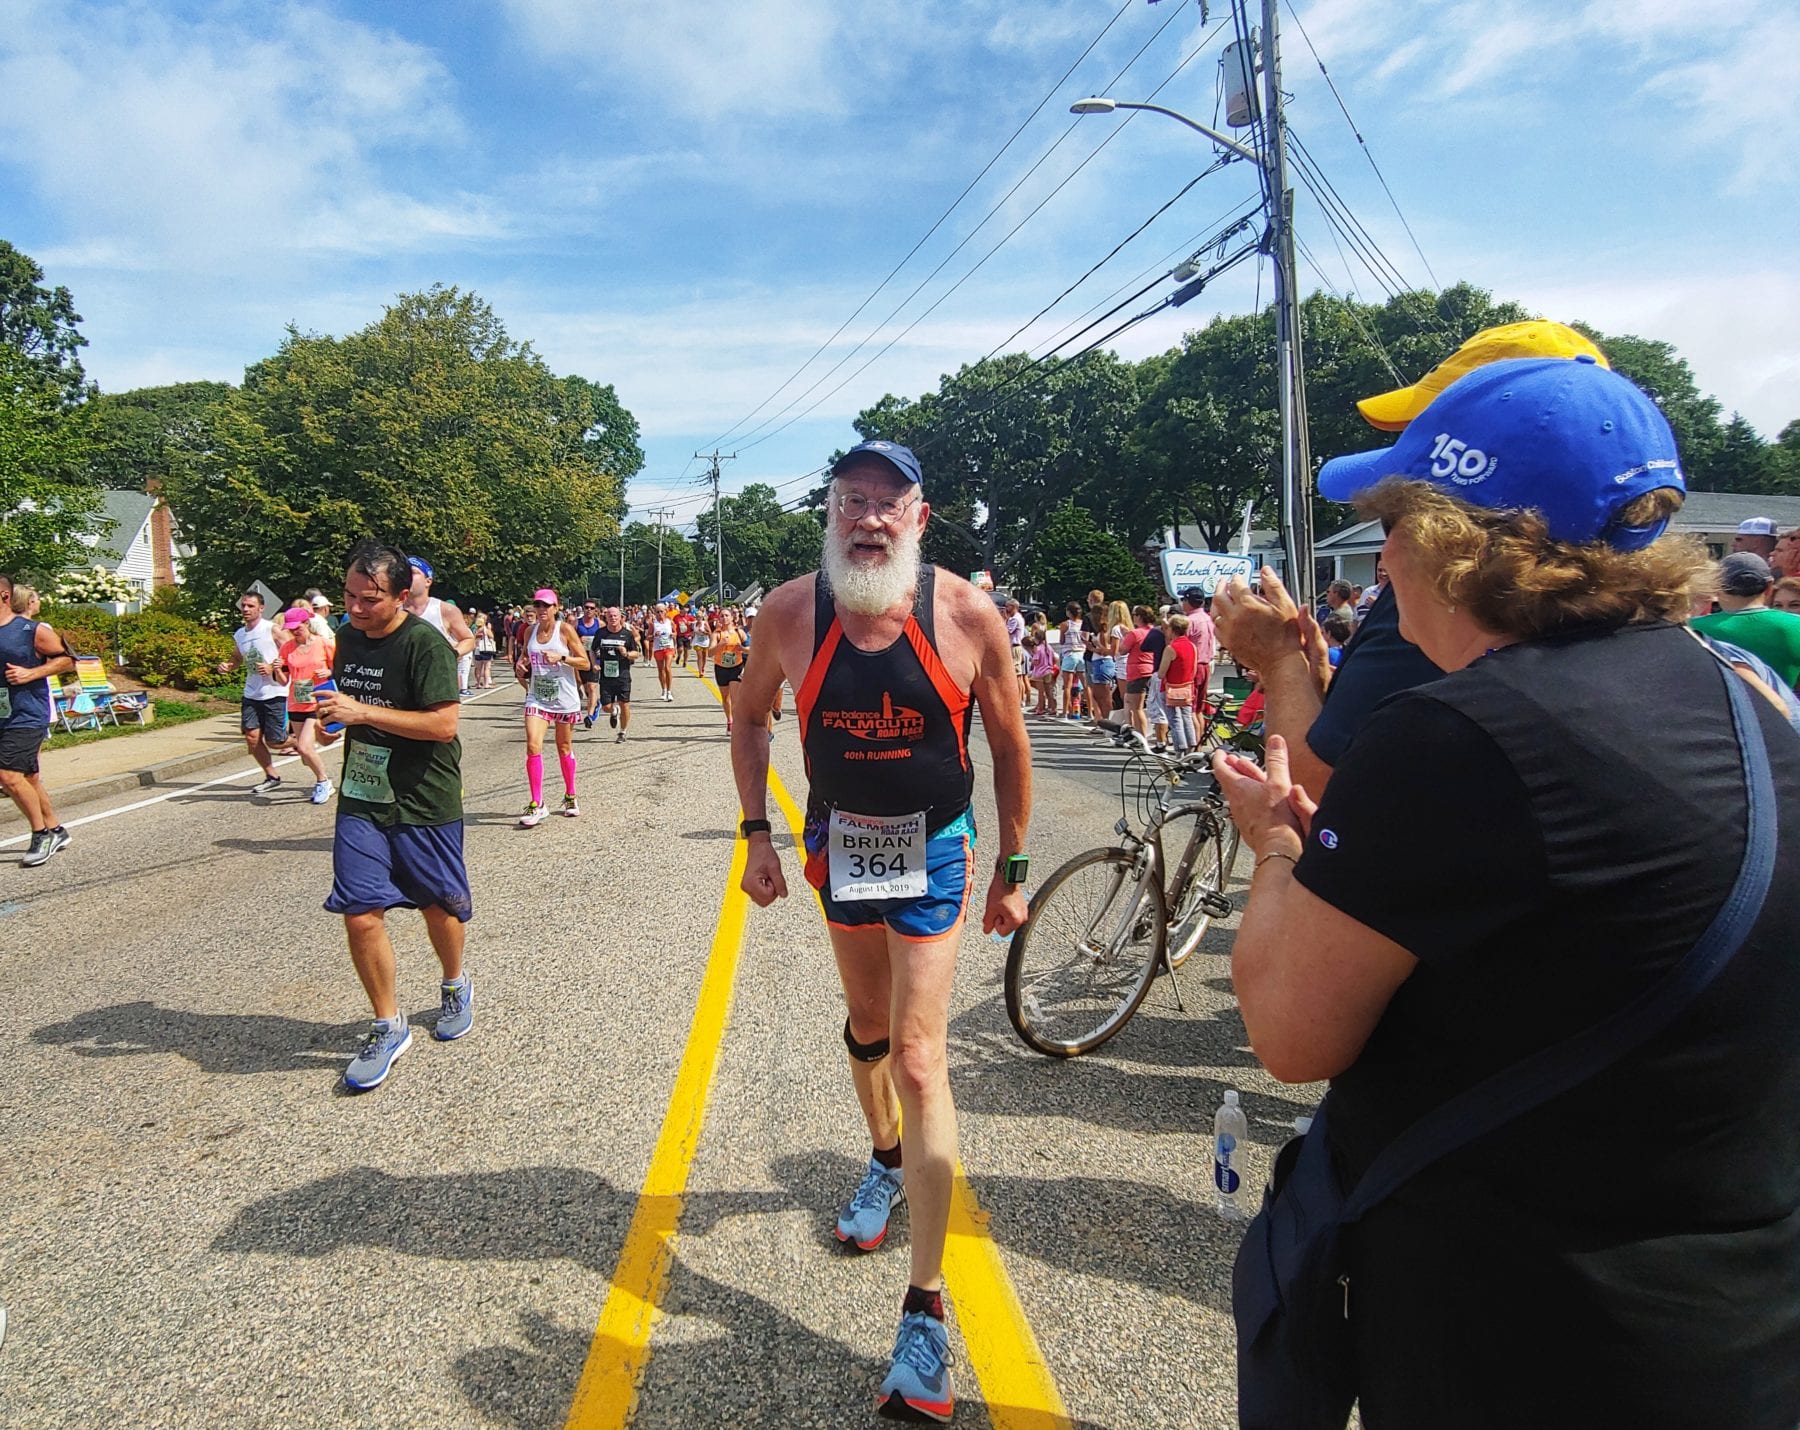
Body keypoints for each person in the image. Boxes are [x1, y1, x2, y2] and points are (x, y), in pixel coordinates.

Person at [1214, 356, 1800, 1426]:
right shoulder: (1751, 703)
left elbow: (1290, 1030)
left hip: (1522, 1336)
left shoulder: (1459, 730)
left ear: (1455, 542)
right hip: (1734, 1327)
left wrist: (1273, 848)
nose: (1380, 555)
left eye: (1397, 519)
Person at [730, 439, 1031, 1422]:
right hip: (840, 844)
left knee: (916, 1054)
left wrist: (1016, 865)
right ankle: (889, 1158)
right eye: (851, 498)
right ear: (829, 511)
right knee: (865, 1026)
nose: (868, 516)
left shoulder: (962, 611)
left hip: (937, 847)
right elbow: (745, 716)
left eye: (887, 502)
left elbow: (1010, 739)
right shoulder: (788, 612)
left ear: (919, 519)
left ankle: (925, 1309)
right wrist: (755, 833)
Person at [1213, 320, 1606, 800]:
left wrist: (1278, 662)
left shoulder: (1451, 596)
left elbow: (1331, 790)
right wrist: (1318, 681)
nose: (1390, 549)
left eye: (1406, 509)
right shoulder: (1636, 635)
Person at [320, 542, 472, 1092]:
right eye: (349, 595)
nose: (356, 607)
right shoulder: (346, 637)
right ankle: (388, 1024)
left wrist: (360, 712)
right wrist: (333, 721)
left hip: (424, 796)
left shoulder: (426, 646)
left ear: (402, 596)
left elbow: (443, 727)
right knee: (361, 910)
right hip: (363, 793)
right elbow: (349, 702)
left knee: (438, 906)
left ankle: (454, 982)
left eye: (370, 598)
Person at [0, 573, 75, 866]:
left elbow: (68, 659)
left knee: (7, 775)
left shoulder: (30, 630)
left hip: (28, 714)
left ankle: (41, 834)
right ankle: (55, 828)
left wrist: (31, 673)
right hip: (2, 715)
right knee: (29, 778)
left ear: (5, 596)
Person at [515, 588, 589, 826]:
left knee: (564, 747)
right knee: (532, 745)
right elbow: (526, 656)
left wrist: (563, 658)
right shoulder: (529, 631)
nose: (542, 610)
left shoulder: (564, 630)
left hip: (564, 699)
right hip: (538, 697)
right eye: (538, 605)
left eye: (546, 605)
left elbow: (585, 663)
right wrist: (521, 664)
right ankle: (537, 803)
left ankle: (570, 795)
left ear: (556, 608)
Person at [1691, 552, 1800, 687]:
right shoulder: (1796, 625)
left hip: (1720, 706)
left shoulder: (1691, 629)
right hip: (1784, 705)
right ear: (1770, 586)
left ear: (1716, 587)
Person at [218, 591, 289, 796]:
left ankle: (303, 743)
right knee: (251, 737)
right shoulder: (240, 634)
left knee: (276, 741)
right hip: (252, 693)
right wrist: (227, 666)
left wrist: (273, 666)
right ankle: (271, 776)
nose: (246, 609)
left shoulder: (272, 630)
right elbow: (237, 657)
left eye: (250, 606)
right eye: (244, 606)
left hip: (275, 691)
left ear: (261, 608)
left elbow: (292, 653)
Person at [275, 607, 335, 803]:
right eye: (291, 629)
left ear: (307, 624)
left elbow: (340, 669)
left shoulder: (324, 644)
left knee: (304, 747)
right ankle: (323, 743)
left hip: (316, 702)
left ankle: (323, 781)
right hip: (295, 702)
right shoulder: (287, 648)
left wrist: (328, 673)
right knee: (304, 753)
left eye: (297, 627)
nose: (294, 632)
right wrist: (277, 670)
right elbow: (284, 680)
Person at [403, 557, 476, 695]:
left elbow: (469, 640)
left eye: (412, 572)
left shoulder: (444, 610)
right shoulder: (391, 609)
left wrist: (452, 654)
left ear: (428, 581)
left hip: (434, 686)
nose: (406, 576)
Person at [590, 605, 639, 743]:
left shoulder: (627, 634)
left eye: (615, 616)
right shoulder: (600, 633)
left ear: (620, 618)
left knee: (625, 703)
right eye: (610, 616)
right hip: (606, 675)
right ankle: (613, 711)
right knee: (606, 706)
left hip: (622, 674)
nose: (612, 618)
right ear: (606, 617)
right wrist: (594, 663)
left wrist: (627, 653)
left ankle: (622, 732)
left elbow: (636, 654)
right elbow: (592, 650)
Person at [1157, 611, 1199, 753]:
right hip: (1187, 687)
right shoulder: (1192, 646)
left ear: (1172, 629)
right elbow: (1193, 670)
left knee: (1175, 720)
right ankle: (1191, 747)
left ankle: (1179, 749)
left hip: (1171, 688)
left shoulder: (1171, 648)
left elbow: (1161, 673)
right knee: (1187, 716)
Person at [710, 607, 748, 733]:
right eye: (722, 616)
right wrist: (721, 644)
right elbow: (710, 653)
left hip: (736, 667)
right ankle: (729, 720)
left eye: (727, 615)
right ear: (719, 619)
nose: (724, 618)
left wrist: (741, 648)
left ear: (732, 617)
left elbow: (750, 649)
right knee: (725, 698)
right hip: (721, 668)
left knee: (735, 697)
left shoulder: (739, 633)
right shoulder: (717, 634)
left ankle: (737, 723)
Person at [574, 600, 604, 726]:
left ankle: (590, 716)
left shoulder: (600, 624)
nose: (589, 610)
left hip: (594, 659)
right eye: (586, 607)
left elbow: (606, 638)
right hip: (580, 658)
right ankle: (596, 703)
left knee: (592, 687)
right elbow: (567, 638)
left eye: (592, 608)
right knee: (583, 686)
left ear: (596, 610)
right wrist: (578, 640)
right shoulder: (576, 623)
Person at [1057, 601, 1085, 721]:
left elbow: (1062, 640)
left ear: (1069, 612)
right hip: (1082, 653)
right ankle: (1091, 714)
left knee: (1067, 686)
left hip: (1070, 654)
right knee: (1085, 685)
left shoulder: (1065, 624)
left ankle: (1064, 712)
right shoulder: (1083, 624)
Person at [1002, 598, 1028, 708]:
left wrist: (1005, 619)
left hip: (1014, 647)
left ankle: (1019, 698)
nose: (1006, 608)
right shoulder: (1018, 618)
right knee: (1019, 675)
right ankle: (1020, 698)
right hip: (1016, 647)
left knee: (1017, 674)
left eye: (1008, 606)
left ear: (1013, 607)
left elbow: (1005, 630)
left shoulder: (1014, 619)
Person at [649, 603, 676, 701]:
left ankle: (669, 691)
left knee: (667, 668)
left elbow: (675, 632)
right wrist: (654, 635)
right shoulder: (653, 623)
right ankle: (663, 690)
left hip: (669, 647)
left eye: (661, 611)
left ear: (665, 611)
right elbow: (648, 637)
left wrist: (673, 635)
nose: (660, 613)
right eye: (657, 612)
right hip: (658, 648)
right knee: (661, 670)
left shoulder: (670, 622)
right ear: (655, 613)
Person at [471, 611, 497, 688]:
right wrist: (489, 629)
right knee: (486, 667)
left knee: (478, 668)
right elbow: (491, 636)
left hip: (477, 649)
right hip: (486, 649)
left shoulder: (475, 629)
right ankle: (486, 684)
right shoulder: (485, 629)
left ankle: (478, 683)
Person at [692, 607, 713, 678]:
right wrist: (691, 636)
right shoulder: (694, 624)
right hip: (697, 642)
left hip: (705, 642)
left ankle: (703, 668)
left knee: (704, 657)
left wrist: (704, 632)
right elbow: (693, 633)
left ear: (702, 617)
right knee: (699, 656)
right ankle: (700, 671)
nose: (698, 618)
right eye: (697, 617)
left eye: (700, 617)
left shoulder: (705, 624)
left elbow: (710, 633)